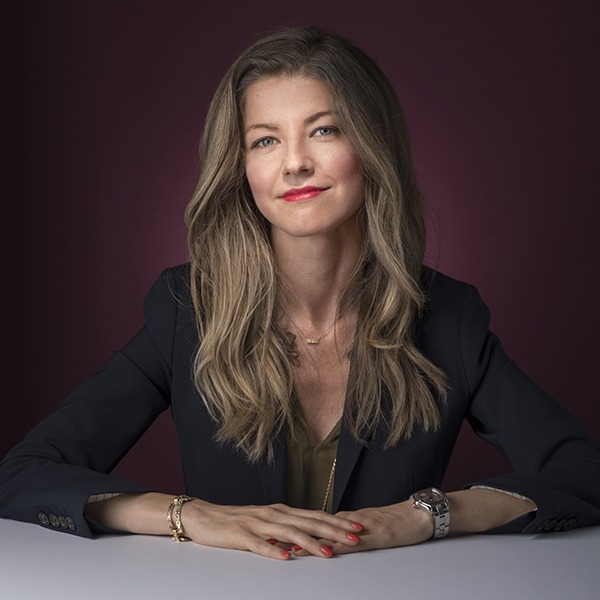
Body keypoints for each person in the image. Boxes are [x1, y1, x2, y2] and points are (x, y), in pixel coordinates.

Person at [1, 26, 599, 561]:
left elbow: (585, 474)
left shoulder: (448, 317)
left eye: (324, 130)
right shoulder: (187, 310)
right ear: (240, 167)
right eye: (265, 140)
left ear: (370, 147)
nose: (294, 164)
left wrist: (426, 517)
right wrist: (189, 516)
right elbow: (23, 475)